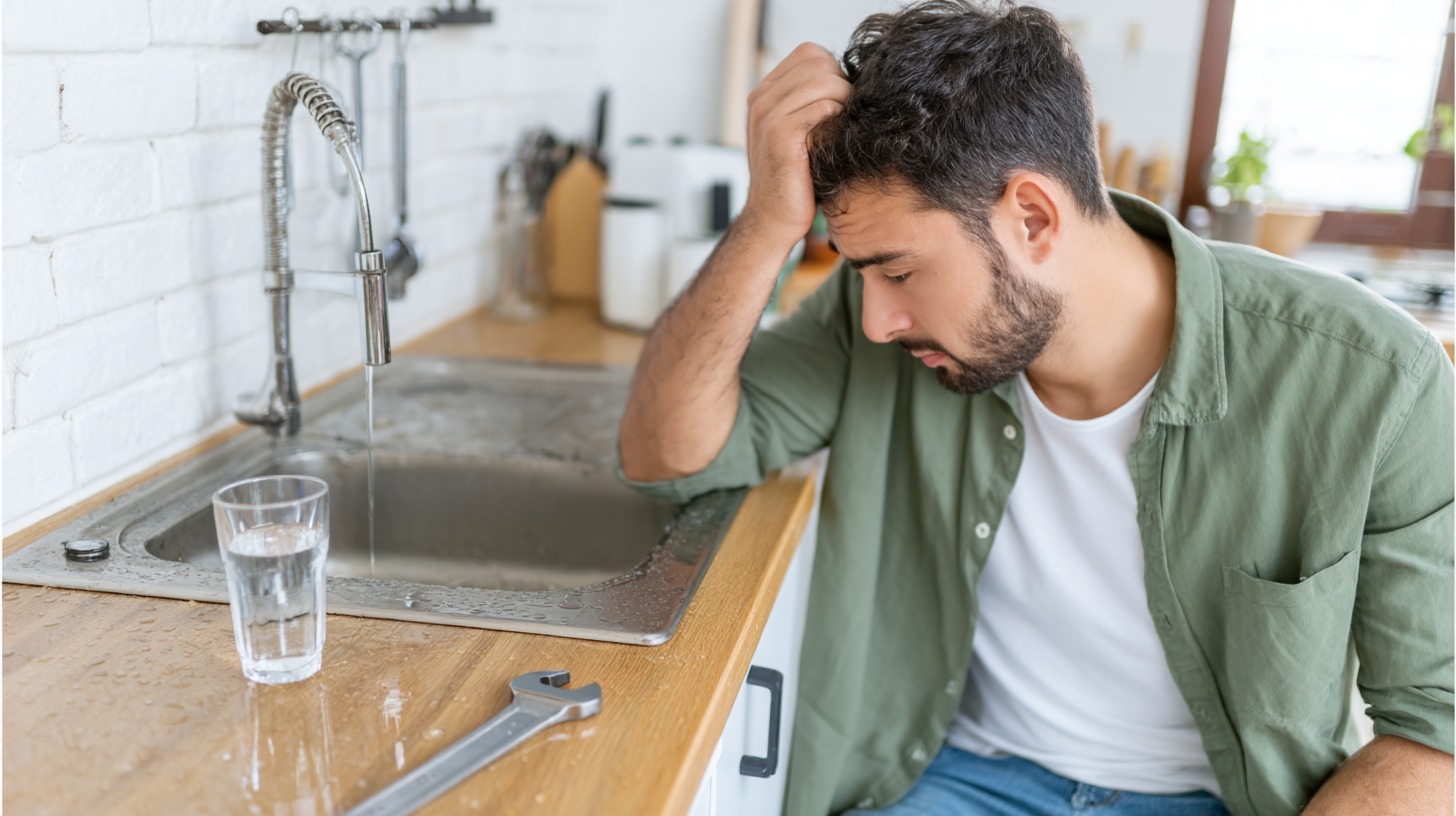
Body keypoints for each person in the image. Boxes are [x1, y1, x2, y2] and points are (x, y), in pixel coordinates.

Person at [617, 2, 1455, 814]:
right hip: (950, 780)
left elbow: (1436, 728)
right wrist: (766, 224)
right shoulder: (876, 321)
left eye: (900, 274)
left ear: (1033, 216)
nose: (877, 320)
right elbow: (666, 453)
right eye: (861, 272)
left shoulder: (1374, 380)